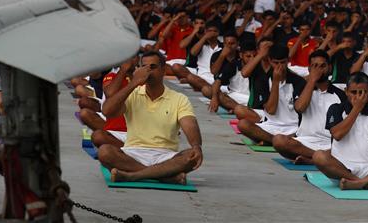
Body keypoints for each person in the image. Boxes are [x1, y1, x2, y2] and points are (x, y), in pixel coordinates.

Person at [98, 51, 203, 184]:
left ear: (163, 70)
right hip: (133, 154)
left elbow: (190, 124)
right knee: (104, 151)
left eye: (152, 67)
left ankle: (132, 176)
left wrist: (196, 146)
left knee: (191, 156)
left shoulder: (179, 98)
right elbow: (107, 111)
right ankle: (163, 175)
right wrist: (134, 83)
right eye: (144, 67)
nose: (148, 71)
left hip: (166, 155)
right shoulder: (133, 93)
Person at [272, 50, 346, 164]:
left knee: (347, 150)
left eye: (323, 66)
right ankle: (317, 158)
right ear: (309, 69)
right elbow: (300, 108)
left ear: (330, 68)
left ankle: (315, 159)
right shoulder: (302, 88)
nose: (319, 69)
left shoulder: (340, 94)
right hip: (305, 142)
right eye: (315, 66)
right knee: (279, 141)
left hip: (330, 145)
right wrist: (312, 80)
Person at [236, 44, 305, 145]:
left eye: (283, 62)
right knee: (243, 125)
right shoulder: (263, 80)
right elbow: (271, 110)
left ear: (288, 61)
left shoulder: (299, 81)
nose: (280, 66)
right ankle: (277, 141)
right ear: (269, 60)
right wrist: (275, 83)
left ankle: (273, 141)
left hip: (294, 128)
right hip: (271, 125)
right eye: (276, 63)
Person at [208, 34, 255, 113]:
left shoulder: (259, 66)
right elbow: (217, 82)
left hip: (251, 99)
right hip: (234, 98)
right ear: (241, 55)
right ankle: (241, 110)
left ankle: (240, 110)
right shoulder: (234, 64)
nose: (252, 59)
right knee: (213, 93)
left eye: (255, 56)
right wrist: (214, 99)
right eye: (248, 56)